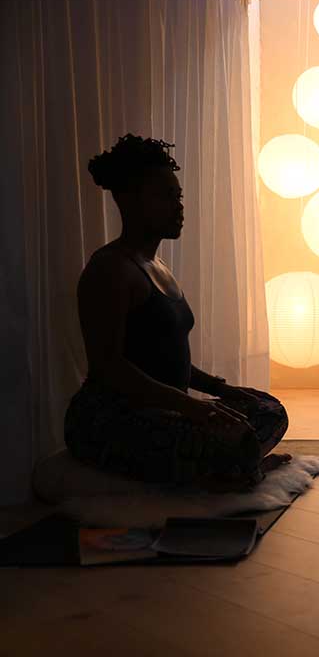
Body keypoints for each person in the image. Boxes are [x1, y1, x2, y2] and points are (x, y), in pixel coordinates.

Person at [64, 134, 289, 491]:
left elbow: (165, 354)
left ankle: (241, 462)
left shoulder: (158, 265)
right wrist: (194, 408)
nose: (179, 206)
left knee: (267, 408)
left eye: (178, 196)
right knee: (230, 441)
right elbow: (109, 368)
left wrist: (221, 390)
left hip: (167, 408)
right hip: (113, 418)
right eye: (166, 196)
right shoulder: (110, 270)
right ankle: (242, 465)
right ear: (128, 201)